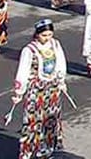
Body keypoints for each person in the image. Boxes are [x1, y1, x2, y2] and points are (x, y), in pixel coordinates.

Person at [9, 19, 68, 159]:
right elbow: (23, 71)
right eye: (44, 35)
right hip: (35, 89)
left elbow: (61, 63)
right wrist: (19, 92)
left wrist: (61, 81)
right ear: (37, 34)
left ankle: (46, 150)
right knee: (33, 120)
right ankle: (28, 152)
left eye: (50, 34)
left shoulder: (55, 44)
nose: (47, 38)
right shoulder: (29, 50)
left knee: (50, 119)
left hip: (52, 88)